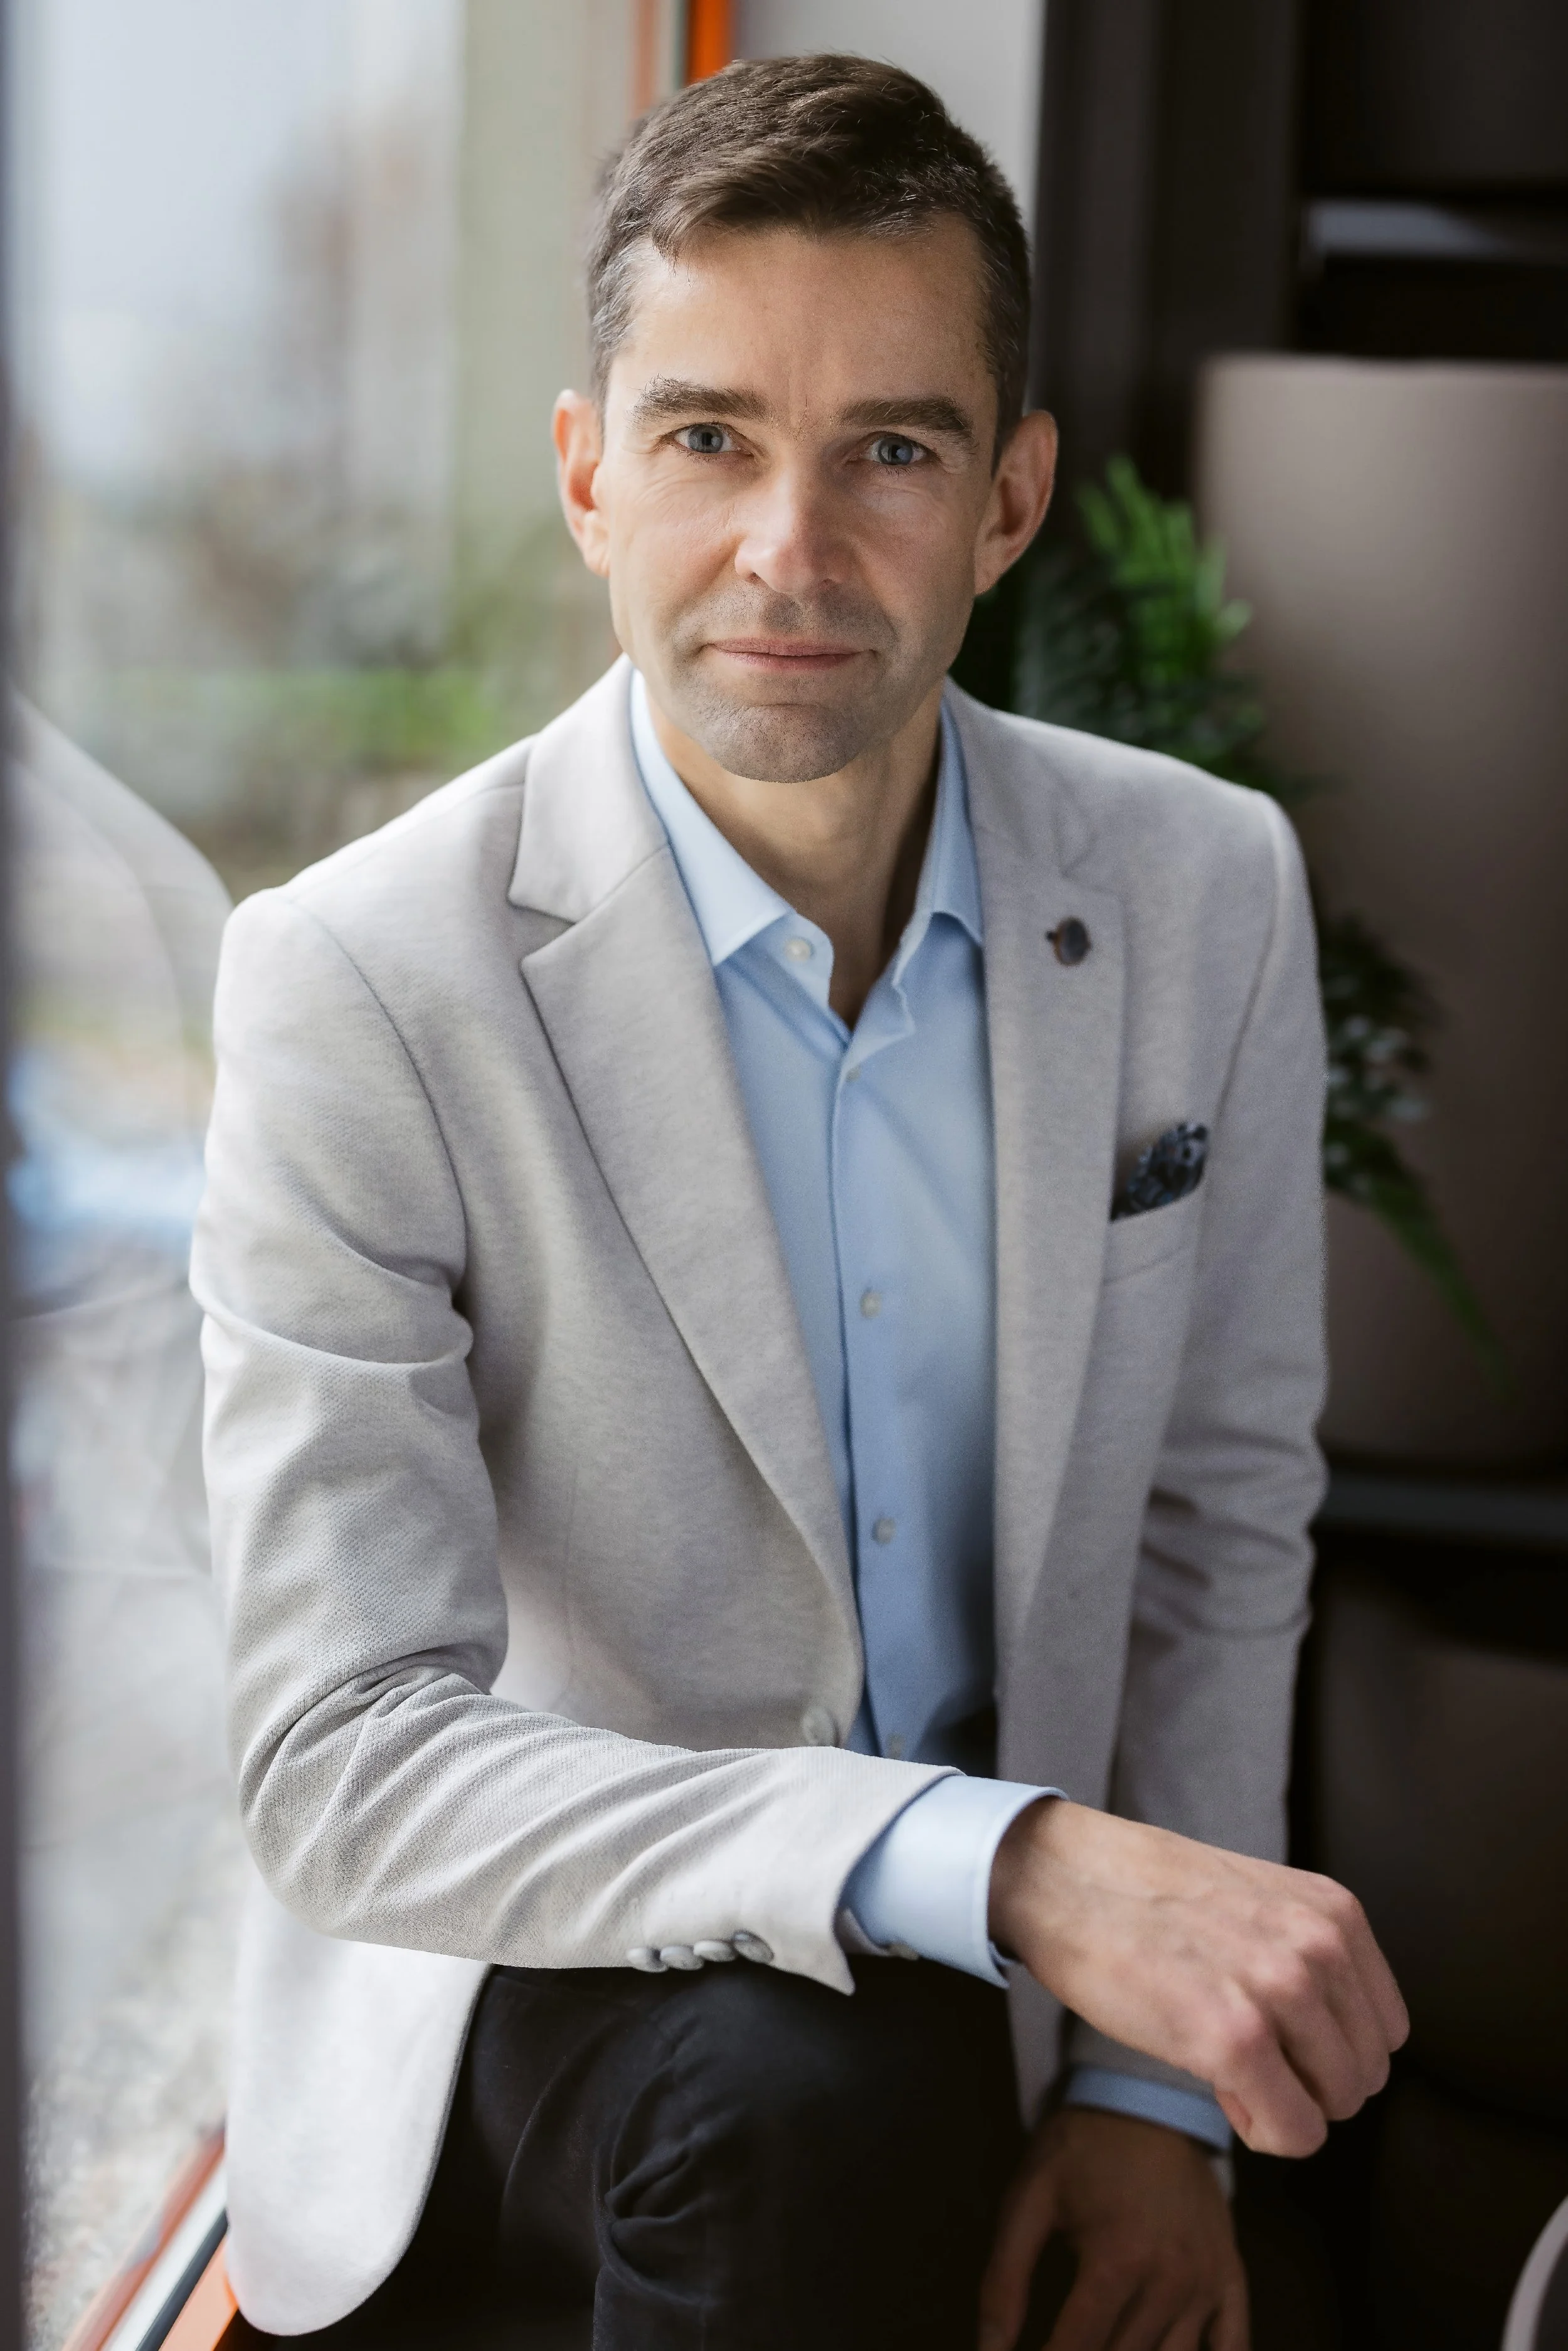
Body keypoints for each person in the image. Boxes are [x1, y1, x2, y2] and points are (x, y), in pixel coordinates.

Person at [194, 55, 1407, 2351]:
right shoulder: (358, 974)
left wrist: (1150, 2099)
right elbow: (342, 1759)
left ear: (1010, 496)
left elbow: (1215, 1520)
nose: (789, 544)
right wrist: (999, 1862)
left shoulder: (1199, 889)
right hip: (552, 1985)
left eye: (891, 450)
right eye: (707, 438)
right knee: (806, 2091)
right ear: (588, 476)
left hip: (1030, 2011)